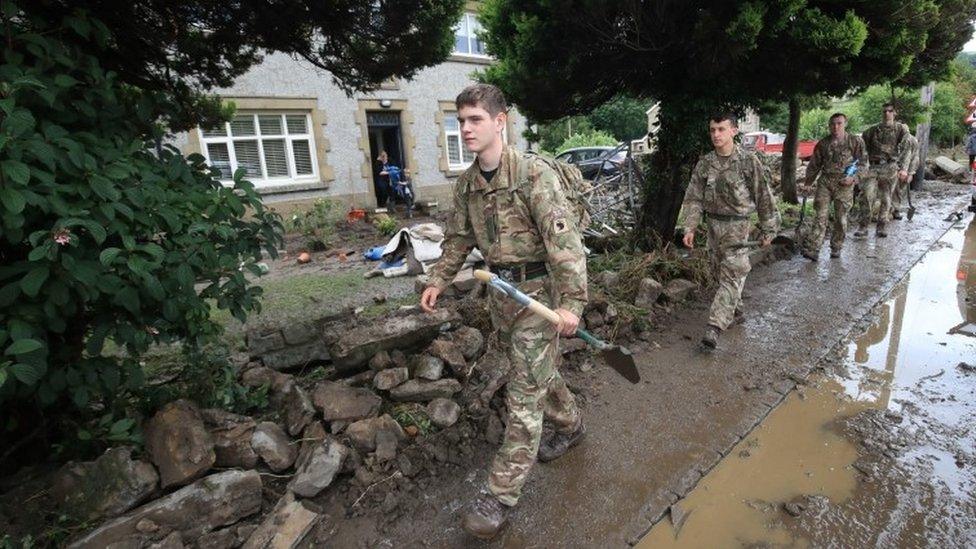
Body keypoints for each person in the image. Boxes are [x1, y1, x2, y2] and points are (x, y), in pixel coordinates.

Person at [419, 83, 587, 539]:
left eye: (475, 119)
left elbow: (565, 246)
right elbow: (457, 240)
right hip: (501, 297)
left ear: (500, 121)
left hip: (540, 299)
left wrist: (572, 303)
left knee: (522, 395)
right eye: (461, 121)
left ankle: (499, 495)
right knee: (536, 371)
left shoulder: (533, 175)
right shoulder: (468, 186)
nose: (466, 129)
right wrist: (437, 279)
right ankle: (570, 424)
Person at [680, 112, 779, 351]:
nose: (716, 134)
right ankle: (735, 310)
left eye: (721, 129)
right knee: (718, 273)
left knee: (732, 275)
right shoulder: (705, 163)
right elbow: (693, 197)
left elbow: (763, 195)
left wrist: (769, 228)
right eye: (712, 130)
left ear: (734, 131)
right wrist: (690, 227)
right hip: (714, 227)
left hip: (738, 227)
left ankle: (713, 328)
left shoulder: (747, 161)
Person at [800, 113, 867, 260]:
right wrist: (808, 183)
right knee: (820, 216)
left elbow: (863, 164)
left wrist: (853, 179)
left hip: (844, 184)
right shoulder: (823, 143)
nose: (835, 127)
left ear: (845, 124)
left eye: (839, 123)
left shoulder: (855, 141)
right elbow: (814, 165)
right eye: (832, 124)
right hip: (826, 181)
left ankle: (836, 246)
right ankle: (813, 248)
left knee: (841, 218)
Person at [857, 103, 911, 237]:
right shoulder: (872, 131)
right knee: (867, 195)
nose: (887, 113)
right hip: (873, 167)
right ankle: (863, 226)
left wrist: (904, 168)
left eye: (890, 111)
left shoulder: (900, 130)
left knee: (886, 199)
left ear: (894, 113)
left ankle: (881, 226)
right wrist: (861, 166)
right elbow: (861, 149)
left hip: (890, 167)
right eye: (885, 111)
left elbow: (906, 149)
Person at [891, 132, 919, 220]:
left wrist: (909, 172)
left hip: (902, 169)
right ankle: (890, 210)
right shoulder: (891, 137)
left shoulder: (909, 140)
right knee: (893, 190)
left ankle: (895, 210)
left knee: (898, 190)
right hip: (893, 168)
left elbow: (913, 157)